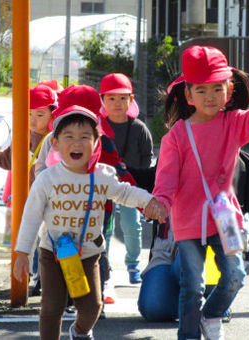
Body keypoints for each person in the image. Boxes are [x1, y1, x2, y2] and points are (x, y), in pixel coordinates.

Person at [152, 45, 249, 340]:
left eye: (217, 88)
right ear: (188, 95)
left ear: (228, 90)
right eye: (201, 90)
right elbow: (165, 177)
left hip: (227, 216)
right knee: (192, 286)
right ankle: (188, 335)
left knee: (236, 276)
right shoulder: (176, 135)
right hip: (187, 220)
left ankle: (211, 316)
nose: (210, 96)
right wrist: (161, 201)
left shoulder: (233, 123)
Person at [13, 105, 166, 340]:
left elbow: (125, 193)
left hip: (89, 252)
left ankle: (80, 332)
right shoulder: (46, 179)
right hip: (52, 251)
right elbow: (31, 216)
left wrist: (150, 201)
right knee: (52, 308)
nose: (77, 143)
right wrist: (23, 252)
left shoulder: (103, 175)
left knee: (93, 306)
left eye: (86, 137)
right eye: (69, 137)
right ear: (55, 144)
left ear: (97, 143)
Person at [34, 84, 138, 313]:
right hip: (67, 209)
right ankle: (77, 297)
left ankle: (93, 297)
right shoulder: (54, 139)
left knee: (94, 251)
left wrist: (138, 195)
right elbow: (41, 169)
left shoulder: (100, 139)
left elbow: (116, 172)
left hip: (95, 208)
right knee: (72, 250)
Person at [0, 84, 57, 295]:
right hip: (31, 198)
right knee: (36, 240)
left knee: (49, 240)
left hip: (55, 199)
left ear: (52, 113)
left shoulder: (59, 137)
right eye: (28, 113)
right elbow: (8, 160)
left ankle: (48, 280)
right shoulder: (24, 135)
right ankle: (39, 279)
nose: (33, 119)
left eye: (40, 114)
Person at [99, 72, 154, 284]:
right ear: (102, 100)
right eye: (111, 98)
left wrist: (134, 174)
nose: (117, 103)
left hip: (130, 184)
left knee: (132, 225)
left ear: (131, 100)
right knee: (105, 227)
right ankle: (104, 267)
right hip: (103, 186)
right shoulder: (97, 127)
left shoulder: (139, 128)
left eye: (123, 98)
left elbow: (147, 157)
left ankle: (133, 265)